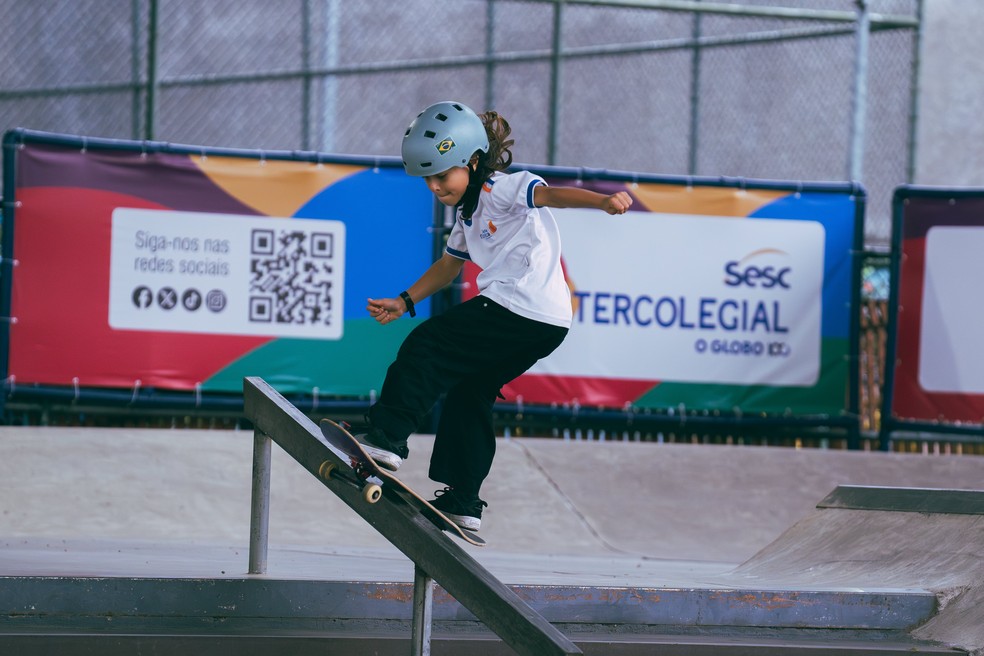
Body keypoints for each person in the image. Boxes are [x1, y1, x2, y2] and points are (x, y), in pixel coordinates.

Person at [356, 100, 632, 532]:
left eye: (443, 175)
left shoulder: (500, 189)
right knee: (471, 389)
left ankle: (387, 437)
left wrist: (602, 202)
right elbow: (449, 267)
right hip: (546, 323)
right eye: (428, 178)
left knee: (429, 346)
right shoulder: (467, 214)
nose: (434, 186)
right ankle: (464, 500)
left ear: (473, 161)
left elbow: (552, 195)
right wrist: (404, 301)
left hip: (517, 305)